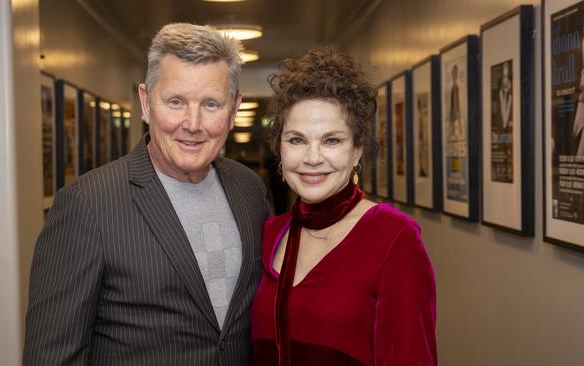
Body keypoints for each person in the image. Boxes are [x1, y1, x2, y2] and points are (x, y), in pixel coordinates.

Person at [23, 23, 269, 365]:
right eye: (176, 101)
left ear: (234, 109)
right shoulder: (88, 204)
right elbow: (52, 356)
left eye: (211, 104)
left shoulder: (248, 188)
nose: (193, 123)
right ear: (146, 102)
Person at [251, 47, 437, 365]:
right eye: (296, 140)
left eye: (332, 140)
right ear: (279, 149)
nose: (312, 158)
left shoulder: (394, 237)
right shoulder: (271, 232)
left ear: (357, 151)